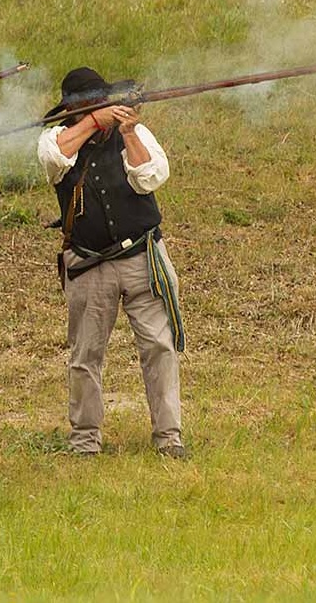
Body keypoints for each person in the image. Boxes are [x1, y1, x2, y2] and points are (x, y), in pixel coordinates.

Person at [36, 67, 186, 459]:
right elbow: (56, 159)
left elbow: (150, 177)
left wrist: (129, 132)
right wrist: (92, 122)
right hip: (90, 264)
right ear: (75, 109)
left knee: (159, 346)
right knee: (86, 355)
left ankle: (169, 437)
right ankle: (85, 440)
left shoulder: (131, 132)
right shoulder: (56, 137)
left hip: (141, 256)